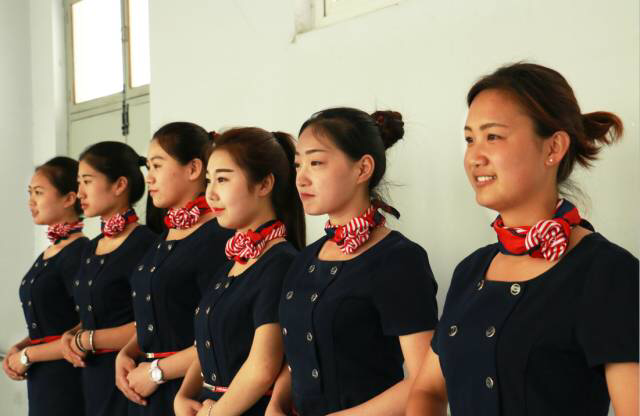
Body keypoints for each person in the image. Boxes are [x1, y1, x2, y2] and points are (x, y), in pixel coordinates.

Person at [407, 62, 639, 416]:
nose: (474, 157)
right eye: (469, 139)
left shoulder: (608, 272)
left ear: (553, 147)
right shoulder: (471, 270)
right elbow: (426, 390)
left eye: (493, 137)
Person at [268, 107, 439, 415]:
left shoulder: (399, 259)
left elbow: (425, 381)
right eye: (298, 165)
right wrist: (276, 404)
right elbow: (296, 359)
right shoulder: (303, 259)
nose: (301, 178)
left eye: (316, 163)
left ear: (363, 169)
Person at [174, 127, 305, 415]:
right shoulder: (233, 262)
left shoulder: (281, 263)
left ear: (264, 184)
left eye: (222, 179)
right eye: (209, 180)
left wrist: (214, 414)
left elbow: (263, 368)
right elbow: (205, 344)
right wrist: (182, 395)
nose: (210, 193)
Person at [115, 122, 233, 416]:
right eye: (148, 167)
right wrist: (127, 352)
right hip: (144, 387)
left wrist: (156, 371)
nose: (149, 177)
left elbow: (221, 331)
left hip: (188, 393)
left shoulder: (219, 237)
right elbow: (156, 316)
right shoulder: (166, 234)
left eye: (157, 165)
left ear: (193, 169)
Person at [59, 141, 157, 415]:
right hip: (91, 376)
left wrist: (86, 339)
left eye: (87, 181)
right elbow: (98, 312)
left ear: (119, 185)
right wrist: (72, 334)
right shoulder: (91, 246)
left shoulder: (146, 244)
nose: (80, 193)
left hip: (128, 375)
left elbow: (152, 323)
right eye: (79, 183)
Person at [3, 157, 89, 416]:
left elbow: (86, 324)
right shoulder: (51, 251)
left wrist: (27, 355)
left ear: (69, 198)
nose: (31, 201)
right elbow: (50, 323)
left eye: (39, 193)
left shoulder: (79, 253)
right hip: (42, 377)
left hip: (68, 377)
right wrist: (20, 347)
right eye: (30, 193)